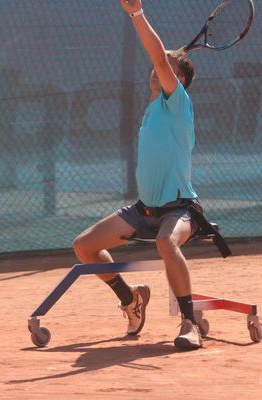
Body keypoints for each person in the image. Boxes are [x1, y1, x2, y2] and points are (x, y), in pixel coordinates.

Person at [73, 0, 204, 350]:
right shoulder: (152, 111)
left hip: (181, 208)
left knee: (166, 242)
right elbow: (160, 59)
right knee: (85, 246)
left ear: (180, 79)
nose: (156, 68)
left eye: (166, 67)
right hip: (145, 209)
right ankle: (131, 300)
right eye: (159, 65)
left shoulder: (178, 105)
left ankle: (190, 323)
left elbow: (159, 57)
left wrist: (136, 14)